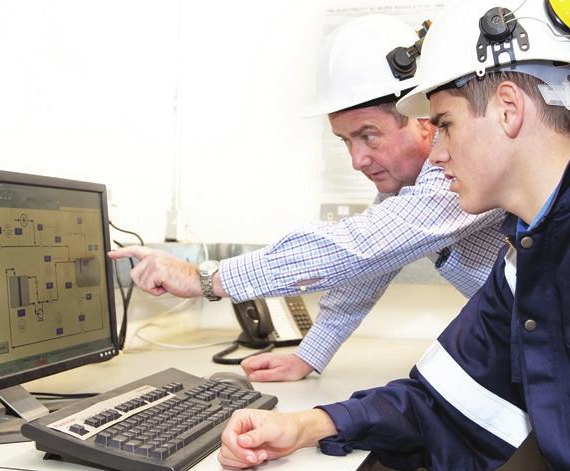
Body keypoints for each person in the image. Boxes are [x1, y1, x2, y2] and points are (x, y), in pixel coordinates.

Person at [217, 0, 570, 469]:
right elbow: (439, 403)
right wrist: (310, 424)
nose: (435, 155)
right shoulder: (534, 251)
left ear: (507, 109)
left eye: (445, 124)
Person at [109, 15, 504, 381]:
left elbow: (357, 248)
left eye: (368, 135)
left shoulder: (461, 169)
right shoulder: (412, 189)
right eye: (346, 141)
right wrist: (309, 355)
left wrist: (203, 278)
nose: (357, 160)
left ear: (421, 119)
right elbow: (368, 269)